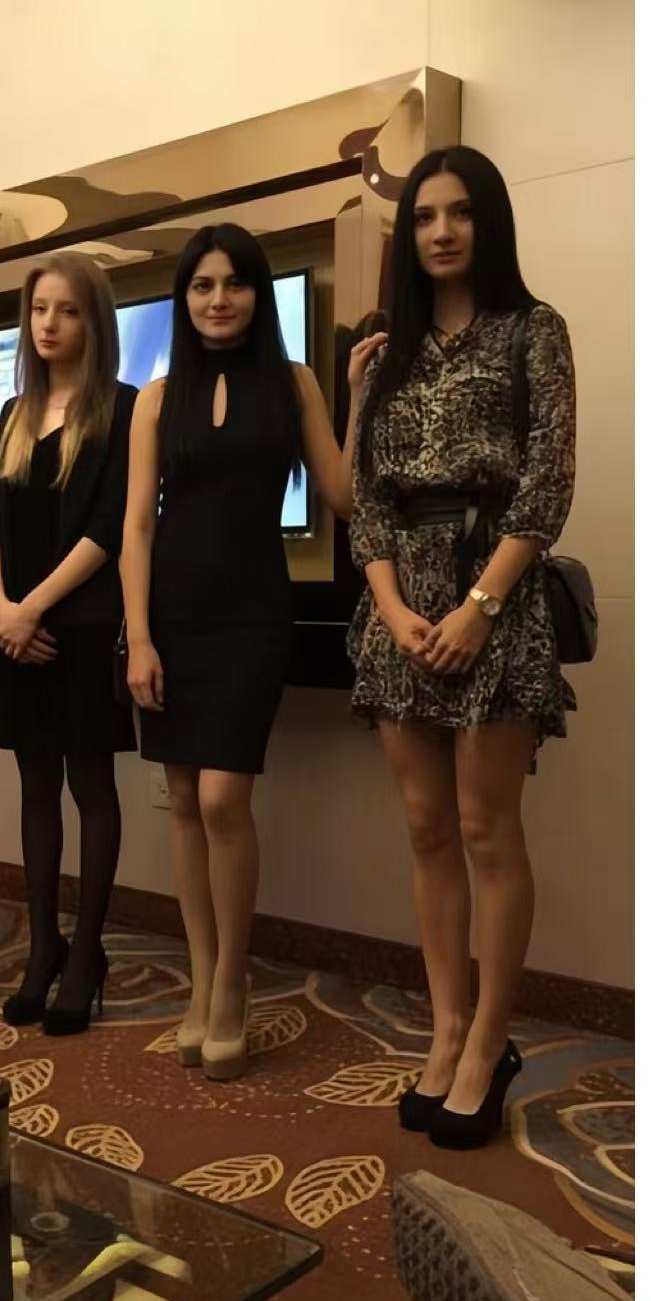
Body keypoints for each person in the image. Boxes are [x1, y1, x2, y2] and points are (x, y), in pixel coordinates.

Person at [349, 146, 576, 1150]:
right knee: (427, 831)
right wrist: (393, 612)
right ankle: (444, 1030)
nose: (441, 231)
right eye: (425, 216)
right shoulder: (385, 352)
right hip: (401, 606)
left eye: (461, 212)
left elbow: (548, 484)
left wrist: (481, 606)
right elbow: (365, 499)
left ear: (489, 222)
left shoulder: (533, 330)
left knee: (488, 831)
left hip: (497, 598)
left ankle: (489, 1040)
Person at [121, 225, 384, 1080]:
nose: (218, 299)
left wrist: (356, 398)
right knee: (183, 798)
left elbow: (342, 495)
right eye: (202, 285)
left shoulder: (293, 380)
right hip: (172, 613)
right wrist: (139, 636)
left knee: (223, 795)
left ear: (257, 293)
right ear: (184, 298)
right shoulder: (156, 399)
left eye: (234, 283)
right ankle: (201, 980)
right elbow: (136, 525)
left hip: (253, 614)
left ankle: (233, 982)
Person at [0, 254, 137, 1035]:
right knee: (34, 787)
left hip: (83, 626)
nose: (48, 323)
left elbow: (110, 527)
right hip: (15, 629)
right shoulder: (14, 411)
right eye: (40, 308)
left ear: (92, 320)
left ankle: (86, 955)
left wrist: (33, 608)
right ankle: (44, 947)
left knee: (91, 786)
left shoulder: (124, 408)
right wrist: (2, 611)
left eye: (67, 309)